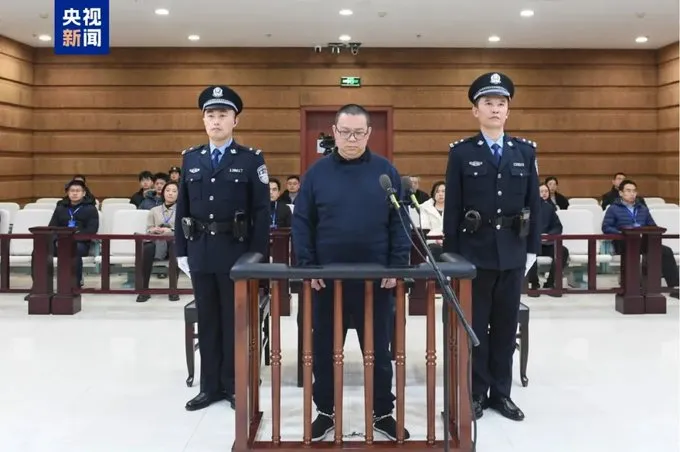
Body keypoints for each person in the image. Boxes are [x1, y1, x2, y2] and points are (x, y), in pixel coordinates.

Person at [292, 104, 411, 442]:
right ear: (334, 132)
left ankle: (382, 412)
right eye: (345, 132)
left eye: (359, 132)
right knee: (326, 350)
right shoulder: (316, 174)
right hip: (327, 282)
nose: (352, 139)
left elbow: (400, 223)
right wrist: (309, 266)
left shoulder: (385, 172)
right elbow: (302, 223)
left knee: (380, 351)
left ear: (369, 133)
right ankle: (326, 412)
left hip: (377, 281)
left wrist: (396, 265)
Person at [443, 72, 540, 422]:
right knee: (476, 328)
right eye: (488, 103)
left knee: (505, 328)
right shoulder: (461, 153)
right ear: (476, 110)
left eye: (501, 103)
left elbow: (534, 203)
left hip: (512, 254)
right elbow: (453, 209)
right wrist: (452, 257)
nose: (495, 109)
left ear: (508, 110)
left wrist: (532, 250)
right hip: (474, 255)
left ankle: (502, 393)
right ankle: (476, 392)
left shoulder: (524, 152)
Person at [175, 85, 270, 411]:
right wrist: (181, 250)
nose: (216, 121)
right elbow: (183, 207)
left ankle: (233, 385)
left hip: (235, 252)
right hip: (200, 250)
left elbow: (261, 212)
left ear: (235, 120)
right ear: (204, 120)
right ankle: (209, 387)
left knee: (233, 322)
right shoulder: (191, 158)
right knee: (208, 321)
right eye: (210, 115)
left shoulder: (250, 159)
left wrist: (256, 256)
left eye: (223, 115)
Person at [602, 179, 679, 298]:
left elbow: (653, 225)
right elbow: (606, 227)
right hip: (623, 241)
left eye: (634, 191)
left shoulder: (642, 208)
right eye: (628, 191)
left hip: (642, 241)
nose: (632, 194)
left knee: (666, 251)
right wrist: (622, 233)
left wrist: (648, 231)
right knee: (632, 251)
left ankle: (675, 287)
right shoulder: (613, 208)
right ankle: (634, 286)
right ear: (621, 193)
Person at [136, 181, 180, 303]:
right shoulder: (154, 210)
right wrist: (154, 229)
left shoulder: (182, 210)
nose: (170, 193)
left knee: (174, 246)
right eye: (168, 190)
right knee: (147, 248)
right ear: (163, 193)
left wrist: (170, 230)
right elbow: (148, 229)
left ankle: (173, 289)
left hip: (173, 241)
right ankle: (144, 290)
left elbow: (183, 230)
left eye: (174, 191)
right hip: (157, 241)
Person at [527, 183, 570, 295]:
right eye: (541, 191)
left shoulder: (549, 208)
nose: (544, 194)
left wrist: (548, 235)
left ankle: (550, 283)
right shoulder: (527, 207)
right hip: (532, 243)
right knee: (528, 252)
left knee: (563, 251)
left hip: (547, 243)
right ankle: (534, 284)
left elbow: (558, 227)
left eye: (546, 191)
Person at [419, 180, 445, 261]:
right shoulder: (425, 208)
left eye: (443, 191)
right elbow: (425, 229)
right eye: (437, 191)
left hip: (449, 241)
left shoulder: (454, 209)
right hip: (432, 242)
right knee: (435, 249)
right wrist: (437, 240)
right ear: (433, 193)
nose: (440, 194)